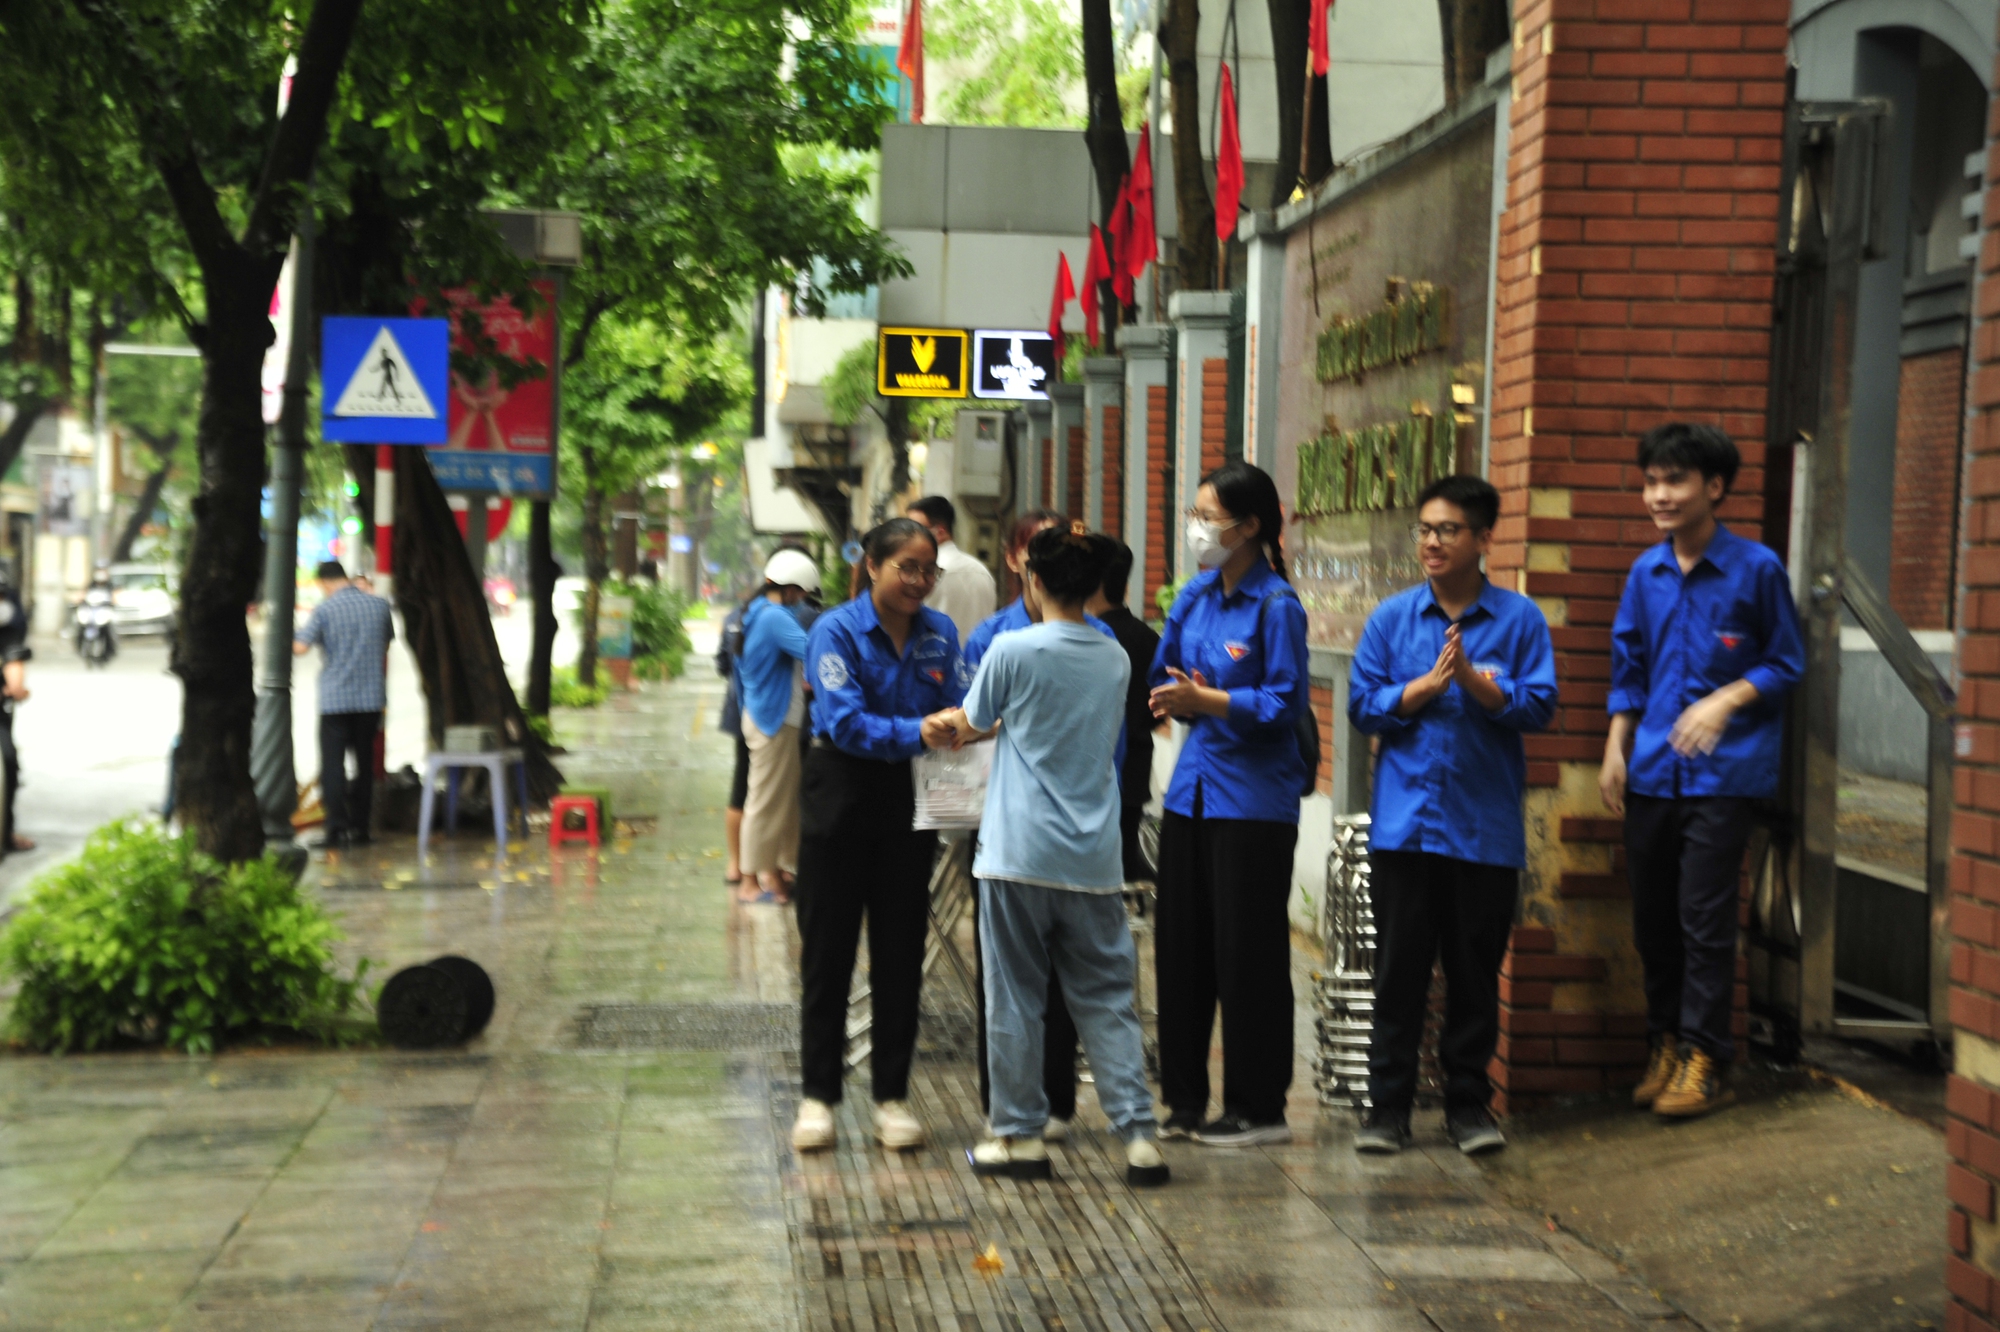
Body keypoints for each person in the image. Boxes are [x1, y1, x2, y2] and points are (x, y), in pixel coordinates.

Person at [930, 524, 1169, 1187]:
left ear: (1031, 581)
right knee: (1106, 1001)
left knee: (1015, 998)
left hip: (1016, 853)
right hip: (1091, 858)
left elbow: (973, 722)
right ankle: (1139, 1136)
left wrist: (940, 725)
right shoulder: (1116, 655)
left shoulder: (1012, 648)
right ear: (1093, 587)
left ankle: (1019, 1136)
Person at [1347, 476, 1559, 1156]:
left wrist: (1476, 686)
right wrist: (1420, 690)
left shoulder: (1520, 620)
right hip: (1405, 830)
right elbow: (1361, 704)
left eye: (1448, 530)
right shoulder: (1391, 619)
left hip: (1483, 831)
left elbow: (1541, 706)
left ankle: (1469, 1107)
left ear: (1483, 539)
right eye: (1425, 530)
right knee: (1399, 974)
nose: (1432, 542)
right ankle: (1388, 1111)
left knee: (1473, 975)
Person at [1600, 423, 1803, 1120]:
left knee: (1705, 920)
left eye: (1675, 480)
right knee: (1654, 921)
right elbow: (1629, 671)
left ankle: (1706, 1056)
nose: (1659, 494)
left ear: (1714, 488)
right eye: (1652, 480)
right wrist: (1614, 749)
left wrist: (1725, 698)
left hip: (1725, 778)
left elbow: (1786, 662)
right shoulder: (1645, 574)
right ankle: (1664, 1042)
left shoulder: (1757, 568)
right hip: (1653, 770)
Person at [1147, 460, 1310, 1147]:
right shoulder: (1195, 594)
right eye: (1195, 513)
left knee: (1249, 954)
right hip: (1192, 794)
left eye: (1207, 516)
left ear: (1249, 527)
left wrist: (1206, 698)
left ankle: (1258, 1105)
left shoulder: (1278, 606)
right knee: (1181, 949)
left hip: (1253, 803)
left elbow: (1281, 703)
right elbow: (1165, 671)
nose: (1196, 528)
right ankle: (1184, 1101)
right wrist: (1180, 691)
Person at [791, 518, 966, 1153]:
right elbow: (843, 721)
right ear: (871, 565)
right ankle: (818, 1098)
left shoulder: (940, 633)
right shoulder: (834, 629)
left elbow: (962, 701)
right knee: (827, 953)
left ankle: (893, 1097)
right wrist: (919, 730)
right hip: (838, 795)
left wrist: (970, 723)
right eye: (908, 568)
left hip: (906, 803)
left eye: (929, 570)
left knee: (900, 957)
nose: (920, 581)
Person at [293, 559, 394, 849]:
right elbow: (385, 643)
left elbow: (300, 648)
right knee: (364, 766)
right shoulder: (379, 606)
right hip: (370, 699)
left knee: (333, 767)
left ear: (324, 582)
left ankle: (335, 830)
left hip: (334, 700)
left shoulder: (324, 609)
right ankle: (361, 829)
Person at [738, 550, 820, 905]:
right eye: (801, 593)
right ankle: (749, 881)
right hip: (774, 720)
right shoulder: (774, 617)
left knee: (781, 802)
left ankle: (777, 874)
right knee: (765, 802)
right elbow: (815, 650)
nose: (803, 601)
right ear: (789, 588)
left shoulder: (756, 611)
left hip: (764, 716)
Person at [1084, 537, 1162, 882]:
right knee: (1121, 872)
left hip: (1085, 779)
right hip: (1132, 773)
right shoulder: (1148, 638)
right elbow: (1158, 710)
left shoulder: (1084, 638)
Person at [908, 496, 995, 647]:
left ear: (940, 531)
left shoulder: (923, 574)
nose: (907, 537)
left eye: (915, 530)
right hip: (978, 663)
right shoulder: (982, 572)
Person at [715, 590, 751, 896]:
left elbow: (722, 665)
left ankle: (735, 864)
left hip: (739, 712)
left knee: (741, 786)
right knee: (765, 793)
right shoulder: (785, 617)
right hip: (771, 718)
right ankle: (767, 869)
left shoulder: (733, 617)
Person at [0, 563, 32, 854]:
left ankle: (6, 832)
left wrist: (15, 686)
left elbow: (13, 656)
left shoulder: (7, 619)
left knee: (7, 759)